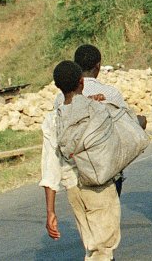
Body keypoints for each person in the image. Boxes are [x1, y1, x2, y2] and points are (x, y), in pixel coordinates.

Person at [41, 61, 121, 261]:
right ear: (82, 83)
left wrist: (50, 211)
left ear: (58, 87)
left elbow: (50, 168)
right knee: (102, 250)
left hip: (73, 188)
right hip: (99, 185)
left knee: (92, 246)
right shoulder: (97, 109)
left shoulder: (53, 120)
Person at [54, 44, 136, 197]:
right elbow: (127, 126)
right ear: (98, 66)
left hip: (75, 172)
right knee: (108, 219)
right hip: (108, 172)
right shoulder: (110, 94)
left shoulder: (61, 99)